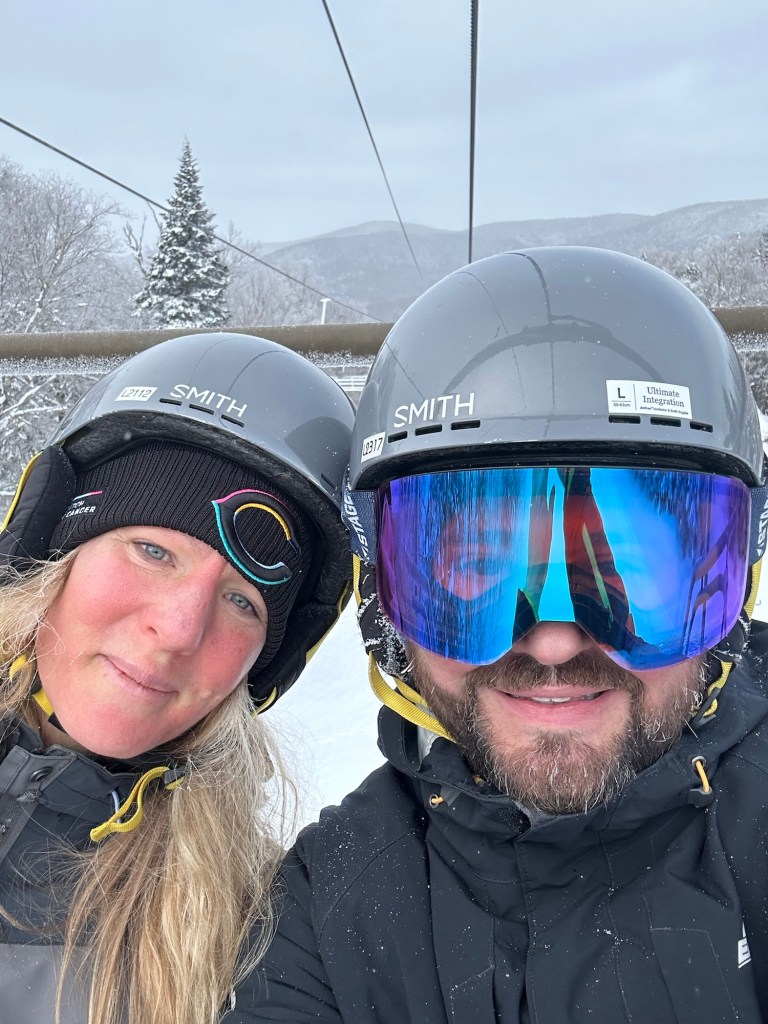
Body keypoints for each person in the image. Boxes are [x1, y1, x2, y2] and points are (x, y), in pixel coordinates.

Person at [230, 247, 768, 1023]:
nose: (552, 644)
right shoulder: (330, 911)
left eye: (624, 568)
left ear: (729, 581)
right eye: (482, 569)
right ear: (386, 598)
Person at [0, 330, 354, 1024]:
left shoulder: (260, 932)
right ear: (52, 553)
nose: (180, 630)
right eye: (153, 551)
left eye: (242, 602)